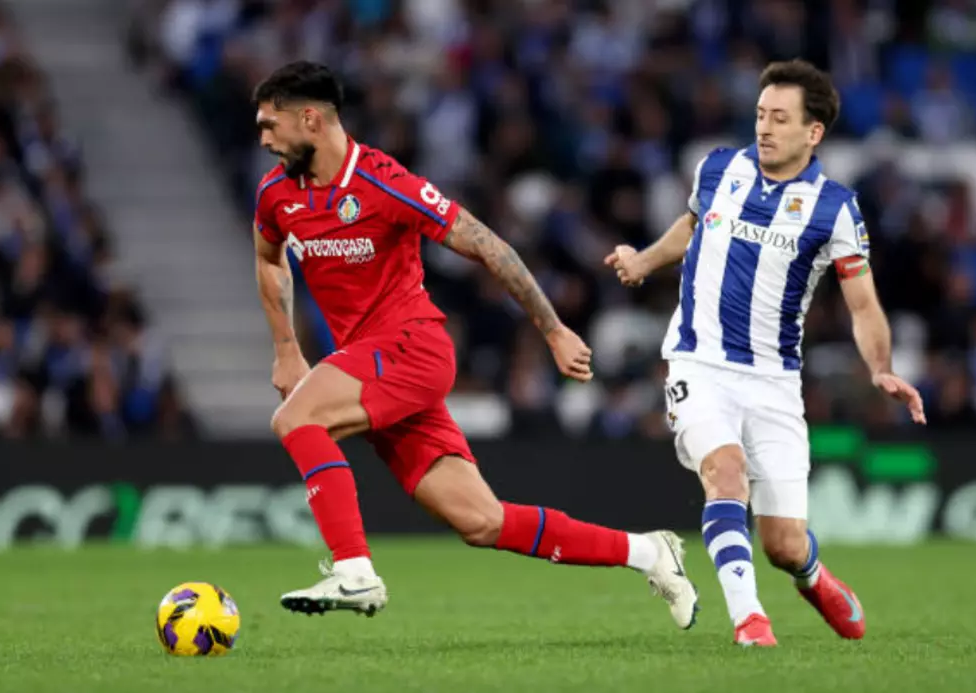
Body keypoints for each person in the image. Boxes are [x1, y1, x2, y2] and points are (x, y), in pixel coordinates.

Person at [250, 61, 697, 629]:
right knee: (482, 521)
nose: (264, 140)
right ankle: (649, 552)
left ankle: (354, 570)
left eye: (270, 125)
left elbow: (488, 245)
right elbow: (269, 260)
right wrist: (286, 349)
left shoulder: (385, 183)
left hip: (411, 347)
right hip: (371, 366)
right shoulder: (276, 194)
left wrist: (553, 330)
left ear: (311, 119)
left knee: (297, 418)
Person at [606, 59, 926, 646]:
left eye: (780, 118)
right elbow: (693, 225)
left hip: (775, 382)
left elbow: (862, 303)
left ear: (813, 132)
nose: (764, 127)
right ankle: (750, 620)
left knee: (783, 543)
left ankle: (812, 575)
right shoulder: (718, 168)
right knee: (725, 472)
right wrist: (644, 261)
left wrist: (881, 369)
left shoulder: (835, 208)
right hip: (698, 362)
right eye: (760, 114)